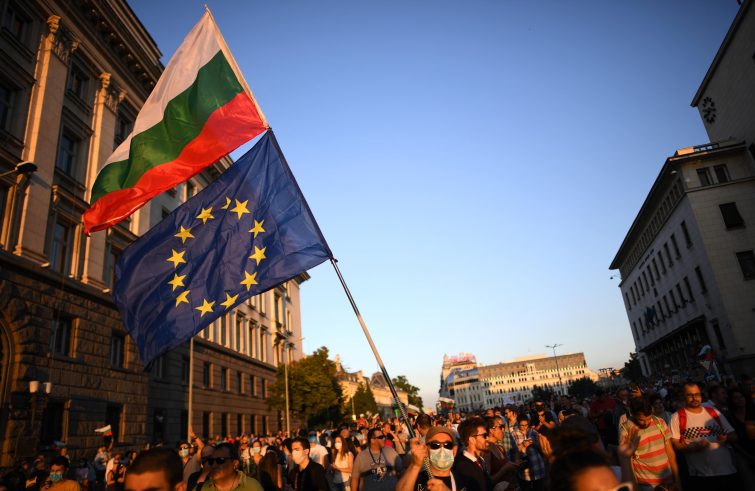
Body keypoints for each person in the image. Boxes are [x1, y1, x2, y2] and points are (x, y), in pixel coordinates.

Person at [670, 382, 739, 489]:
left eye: (697, 394)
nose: (694, 398)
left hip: (727, 471)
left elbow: (734, 435)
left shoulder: (713, 412)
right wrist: (691, 448)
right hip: (700, 476)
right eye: (690, 395)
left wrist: (726, 438)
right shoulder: (677, 417)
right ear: (684, 397)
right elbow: (675, 444)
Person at [618, 396, 678, 490]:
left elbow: (670, 453)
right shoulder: (626, 430)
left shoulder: (660, 422)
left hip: (667, 481)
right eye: (641, 420)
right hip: (645, 485)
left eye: (649, 418)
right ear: (633, 414)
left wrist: (677, 480)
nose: (646, 423)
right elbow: (628, 461)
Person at [397, 425, 472, 491]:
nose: (442, 449)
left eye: (447, 445)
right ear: (426, 449)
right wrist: (415, 465)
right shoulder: (416, 478)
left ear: (454, 450)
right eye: (435, 445)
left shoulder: (466, 479)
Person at [452, 416, 491, 491]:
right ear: (472, 439)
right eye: (484, 435)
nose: (488, 438)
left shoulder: (480, 460)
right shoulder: (462, 466)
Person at [510, 415, 545, 491]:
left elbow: (541, 448)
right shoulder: (513, 434)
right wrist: (523, 445)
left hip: (537, 467)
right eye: (522, 425)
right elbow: (514, 452)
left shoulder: (533, 432)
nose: (525, 427)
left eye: (526, 425)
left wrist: (536, 442)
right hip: (525, 472)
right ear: (518, 423)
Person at [483, 416, 518, 491]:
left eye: (504, 427)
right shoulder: (487, 452)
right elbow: (487, 481)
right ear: (491, 430)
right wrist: (504, 469)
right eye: (501, 427)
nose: (503, 429)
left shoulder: (500, 448)